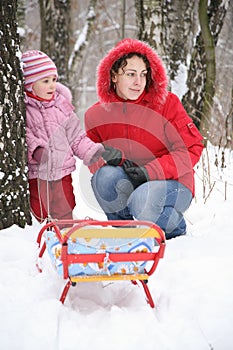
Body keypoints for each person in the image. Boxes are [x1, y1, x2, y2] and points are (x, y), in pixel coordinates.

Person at [84, 38, 204, 239]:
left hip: (173, 183)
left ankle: (173, 229)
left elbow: (192, 148)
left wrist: (150, 171)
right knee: (103, 178)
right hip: (130, 180)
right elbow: (92, 159)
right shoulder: (95, 116)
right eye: (131, 74)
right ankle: (129, 236)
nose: (138, 82)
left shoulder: (167, 104)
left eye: (143, 74)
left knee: (143, 198)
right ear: (113, 76)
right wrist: (106, 159)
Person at [22, 50, 104, 224]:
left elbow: (76, 136)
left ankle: (65, 237)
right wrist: (36, 149)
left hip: (62, 172)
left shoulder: (62, 106)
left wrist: (90, 152)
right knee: (39, 211)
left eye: (54, 80)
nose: (52, 85)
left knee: (65, 206)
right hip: (37, 174)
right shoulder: (24, 110)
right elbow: (24, 135)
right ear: (29, 84)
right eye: (45, 81)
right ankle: (41, 239)